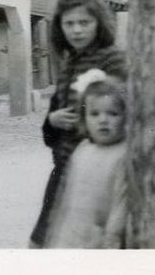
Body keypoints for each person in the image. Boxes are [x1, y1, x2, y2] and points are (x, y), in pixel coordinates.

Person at [28, 0, 126, 248]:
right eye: (69, 24)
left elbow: (123, 109)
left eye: (85, 22)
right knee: (45, 241)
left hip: (97, 167)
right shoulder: (69, 61)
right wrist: (53, 120)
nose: (77, 30)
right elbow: (53, 118)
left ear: (99, 23)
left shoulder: (113, 59)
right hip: (64, 168)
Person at [45, 75, 128, 248]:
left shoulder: (123, 154)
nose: (103, 120)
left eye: (112, 113)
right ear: (84, 118)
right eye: (94, 114)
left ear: (125, 117)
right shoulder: (82, 149)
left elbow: (121, 204)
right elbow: (68, 193)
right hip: (70, 234)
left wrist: (112, 239)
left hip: (99, 240)